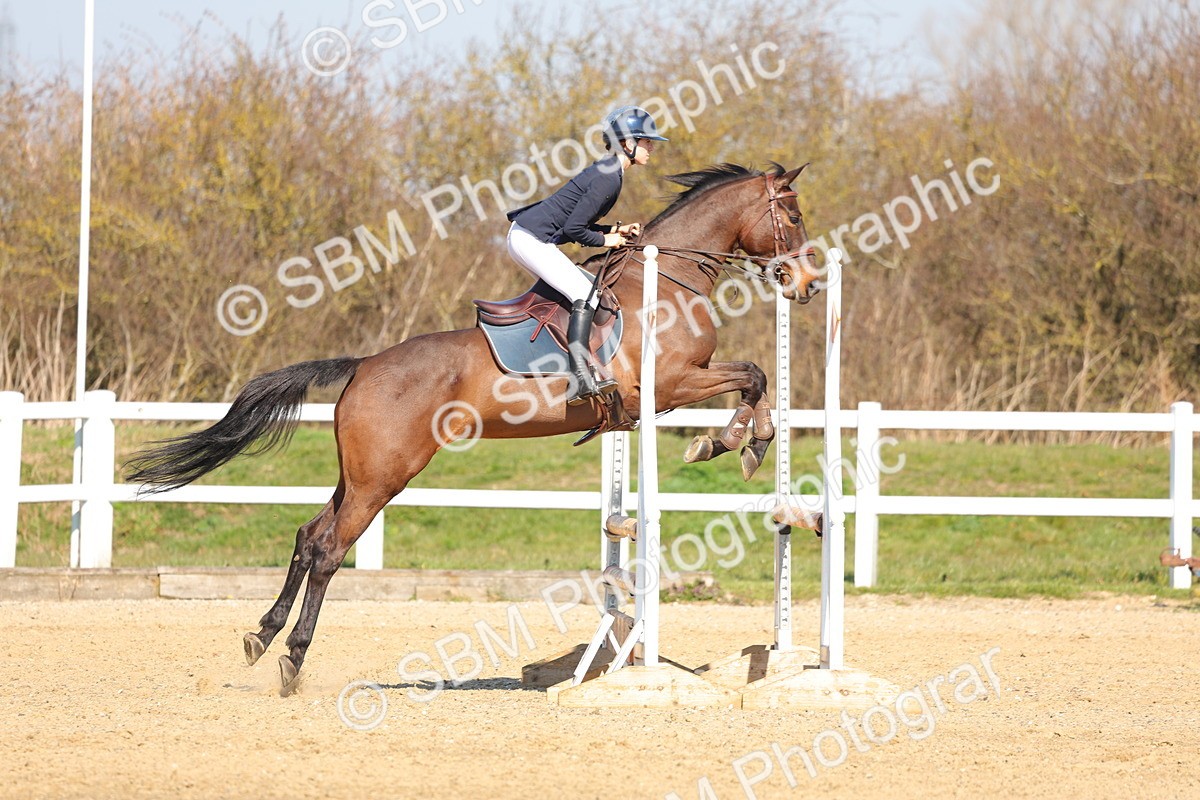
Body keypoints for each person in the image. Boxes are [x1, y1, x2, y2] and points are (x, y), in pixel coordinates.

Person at [505, 105, 668, 405]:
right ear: (627, 143)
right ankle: (579, 378)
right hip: (530, 239)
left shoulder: (609, 172)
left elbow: (579, 224)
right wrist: (608, 239)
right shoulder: (609, 178)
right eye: (646, 142)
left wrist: (614, 230)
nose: (651, 148)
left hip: (529, 236)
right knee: (584, 292)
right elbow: (575, 229)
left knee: (573, 293)